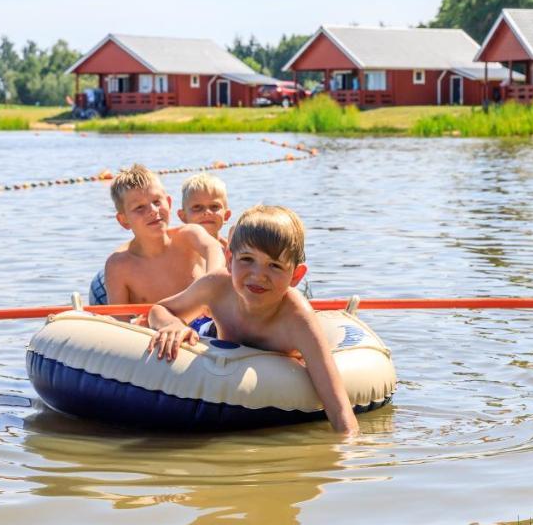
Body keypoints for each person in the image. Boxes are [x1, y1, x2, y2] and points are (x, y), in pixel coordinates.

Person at [146, 205, 360, 436]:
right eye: (247, 259)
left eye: (275, 265)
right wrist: (173, 324)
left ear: (296, 276)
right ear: (229, 259)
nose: (258, 275)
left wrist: (346, 457)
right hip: (212, 338)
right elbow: (159, 309)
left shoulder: (297, 320)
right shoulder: (217, 286)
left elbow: (339, 410)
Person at [102, 164, 225, 305]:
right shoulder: (119, 266)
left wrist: (210, 285)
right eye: (139, 207)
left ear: (169, 202)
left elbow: (214, 248)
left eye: (156, 202)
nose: (153, 210)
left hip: (203, 321)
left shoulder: (190, 236)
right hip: (156, 325)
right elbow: (119, 318)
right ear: (123, 220)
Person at [177, 172, 231, 248]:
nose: (207, 212)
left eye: (214, 206)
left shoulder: (232, 252)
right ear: (183, 216)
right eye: (197, 207)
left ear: (226, 215)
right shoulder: (178, 252)